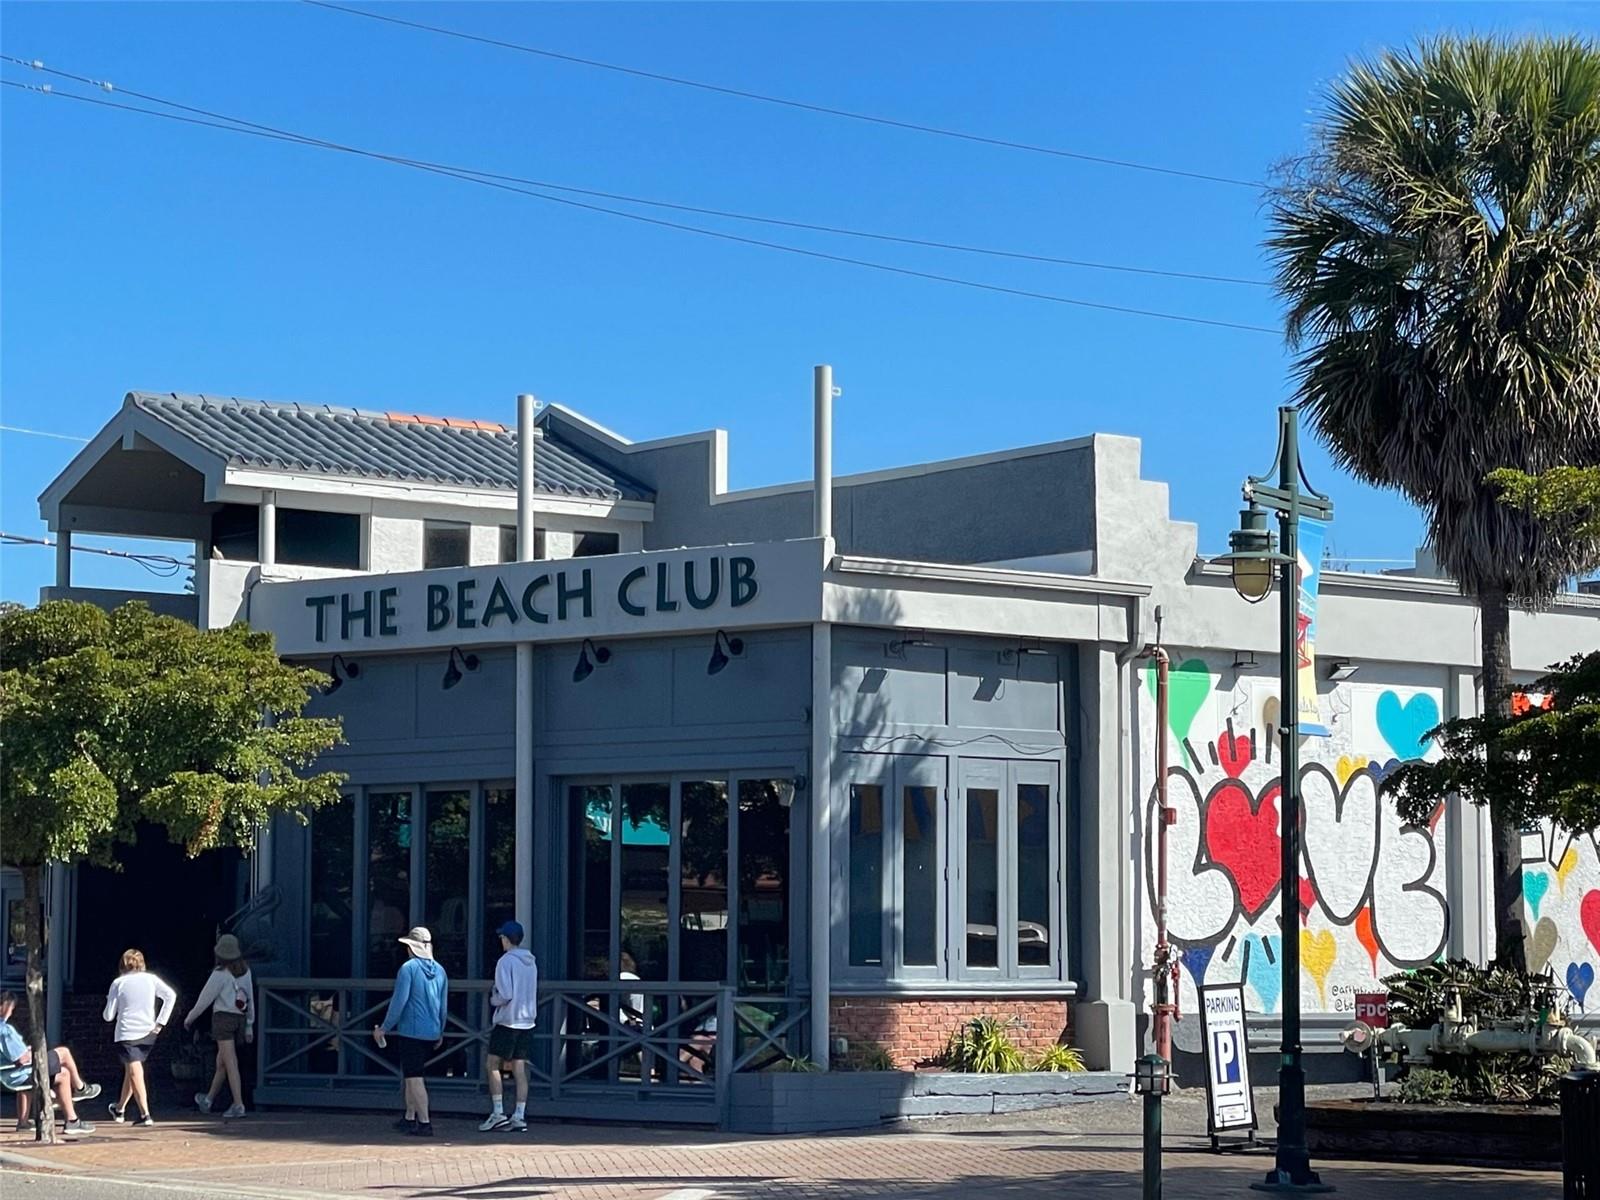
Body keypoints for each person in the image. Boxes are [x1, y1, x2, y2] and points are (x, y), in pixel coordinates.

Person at [375, 925, 448, 1137]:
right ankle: (409, 1117)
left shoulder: (408, 969)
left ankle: (424, 1122)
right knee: (410, 1076)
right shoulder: (441, 970)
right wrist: (440, 1030)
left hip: (411, 1031)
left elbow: (399, 1002)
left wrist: (385, 1027)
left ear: (412, 948)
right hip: (432, 1030)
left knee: (415, 1078)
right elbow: (443, 1006)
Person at [0, 991, 100, 1137]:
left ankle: (23, 1122)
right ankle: (79, 1092)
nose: (12, 1009)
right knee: (64, 1056)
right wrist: (33, 1051)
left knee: (60, 1072)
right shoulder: (4, 1030)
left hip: (10, 1074)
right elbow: (21, 1059)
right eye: (11, 1006)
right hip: (20, 1072)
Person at [183, 934, 254, 1118]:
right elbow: (250, 998)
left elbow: (204, 1000)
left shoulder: (219, 974)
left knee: (230, 1063)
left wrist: (190, 1017)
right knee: (221, 1063)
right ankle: (208, 1099)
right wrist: (249, 1026)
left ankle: (238, 1104)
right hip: (239, 1019)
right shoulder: (246, 971)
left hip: (222, 1019)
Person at [103, 948, 176, 1126]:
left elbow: (108, 1016)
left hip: (126, 1032)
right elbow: (170, 995)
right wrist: (160, 1023)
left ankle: (145, 1114)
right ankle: (119, 1108)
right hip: (148, 1031)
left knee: (135, 1071)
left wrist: (109, 1001)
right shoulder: (151, 979)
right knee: (133, 1071)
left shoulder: (118, 983)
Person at [479, 920, 537, 1133]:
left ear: (506, 939)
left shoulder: (505, 962)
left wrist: (493, 999)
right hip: (527, 1020)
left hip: (508, 1020)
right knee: (519, 1068)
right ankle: (519, 1115)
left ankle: (498, 1112)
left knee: (492, 1064)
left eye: (502, 937)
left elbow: (505, 994)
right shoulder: (531, 962)